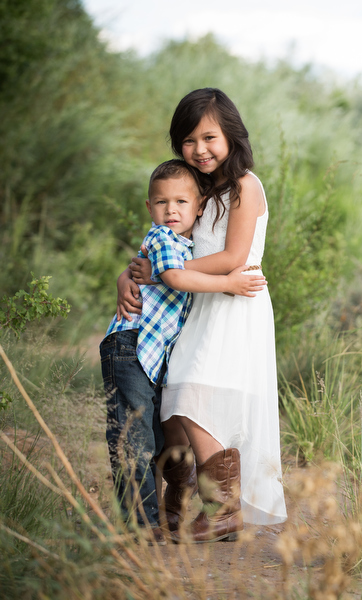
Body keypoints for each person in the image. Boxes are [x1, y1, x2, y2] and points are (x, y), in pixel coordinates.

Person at [118, 88, 288, 543]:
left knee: (194, 394)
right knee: (174, 404)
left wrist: (165, 274)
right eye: (189, 141)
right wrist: (132, 275)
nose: (200, 149)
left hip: (236, 300)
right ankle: (181, 500)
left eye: (209, 137)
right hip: (197, 304)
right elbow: (160, 241)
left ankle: (224, 507)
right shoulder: (194, 190)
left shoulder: (245, 186)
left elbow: (233, 256)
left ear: (231, 134)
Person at [102, 159, 266, 544]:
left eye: (180, 202)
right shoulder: (162, 239)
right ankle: (140, 526)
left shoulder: (187, 243)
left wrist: (130, 273)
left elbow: (166, 269)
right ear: (149, 207)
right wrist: (226, 282)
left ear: (200, 206)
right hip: (130, 346)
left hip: (151, 353)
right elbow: (176, 277)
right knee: (133, 437)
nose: (170, 210)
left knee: (158, 434)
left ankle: (169, 508)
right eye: (161, 203)